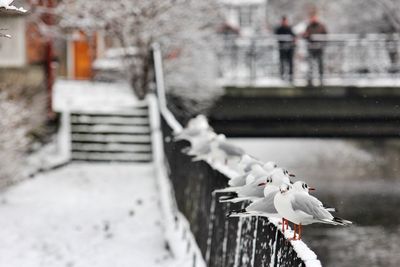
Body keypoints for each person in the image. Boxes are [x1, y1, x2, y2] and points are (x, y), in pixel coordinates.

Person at [303, 12, 327, 86]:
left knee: (320, 65)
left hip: (319, 48)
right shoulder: (308, 26)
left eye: (314, 18)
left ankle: (321, 80)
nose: (313, 19)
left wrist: (322, 44)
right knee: (310, 65)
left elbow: (325, 36)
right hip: (311, 49)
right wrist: (307, 36)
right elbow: (305, 36)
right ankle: (310, 80)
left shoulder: (321, 26)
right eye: (312, 18)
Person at [275, 16, 296, 83]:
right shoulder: (279, 29)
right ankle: (282, 76)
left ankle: (290, 77)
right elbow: (277, 37)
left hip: (290, 49)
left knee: (290, 63)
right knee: (282, 63)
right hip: (282, 49)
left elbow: (294, 36)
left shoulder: (290, 28)